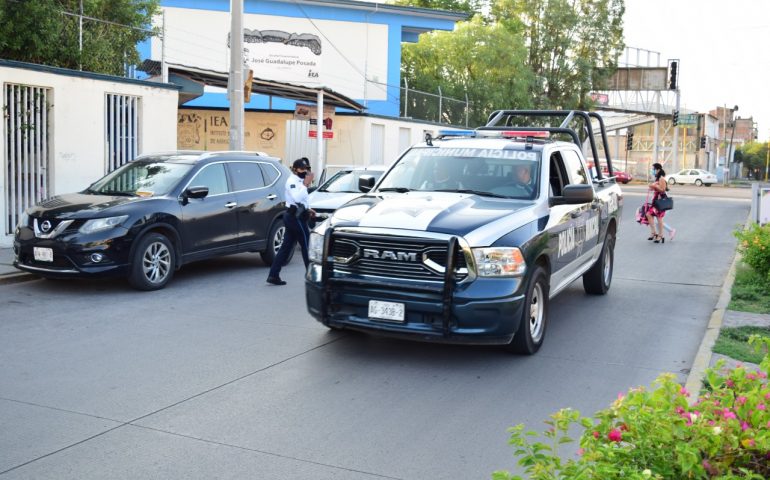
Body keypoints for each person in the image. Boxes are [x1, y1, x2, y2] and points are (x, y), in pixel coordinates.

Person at [266, 157, 315, 286]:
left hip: (298, 215)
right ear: (295, 169)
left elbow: (301, 201)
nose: (305, 171)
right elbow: (297, 198)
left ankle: (273, 275)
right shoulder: (292, 181)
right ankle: (313, 277)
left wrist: (308, 209)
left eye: (307, 168)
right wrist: (305, 185)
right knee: (306, 245)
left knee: (285, 247)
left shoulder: (300, 181)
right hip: (294, 217)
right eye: (302, 168)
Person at [645, 162, 670, 244]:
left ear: (658, 169)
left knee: (659, 218)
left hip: (660, 200)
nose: (652, 171)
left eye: (653, 169)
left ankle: (660, 235)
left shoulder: (661, 178)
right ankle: (654, 233)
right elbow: (656, 188)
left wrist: (655, 186)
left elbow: (663, 189)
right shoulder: (657, 178)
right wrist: (652, 187)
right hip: (655, 200)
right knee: (649, 214)